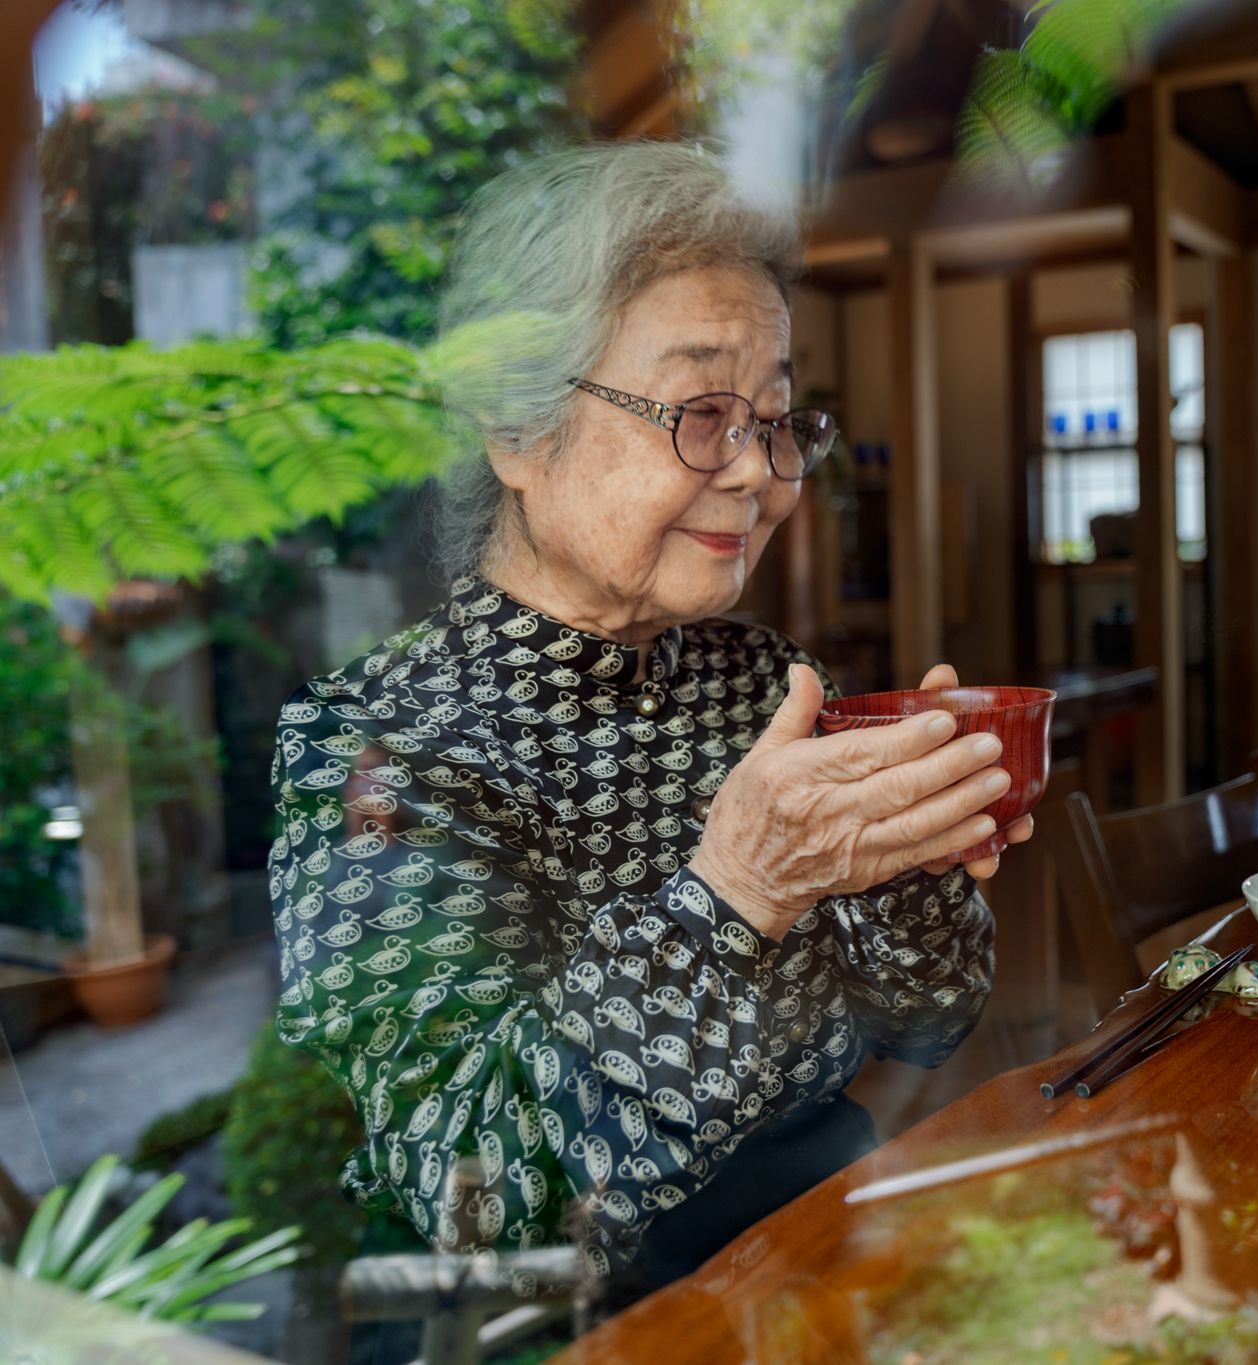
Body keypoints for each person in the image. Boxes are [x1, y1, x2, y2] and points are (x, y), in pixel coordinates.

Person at [267, 140, 1025, 1295]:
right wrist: (741, 894)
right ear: (518, 430)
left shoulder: (764, 682)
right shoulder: (372, 749)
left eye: (774, 420)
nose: (758, 475)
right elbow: (478, 1203)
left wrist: (905, 857)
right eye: (700, 412)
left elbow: (925, 1023)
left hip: (830, 1247)